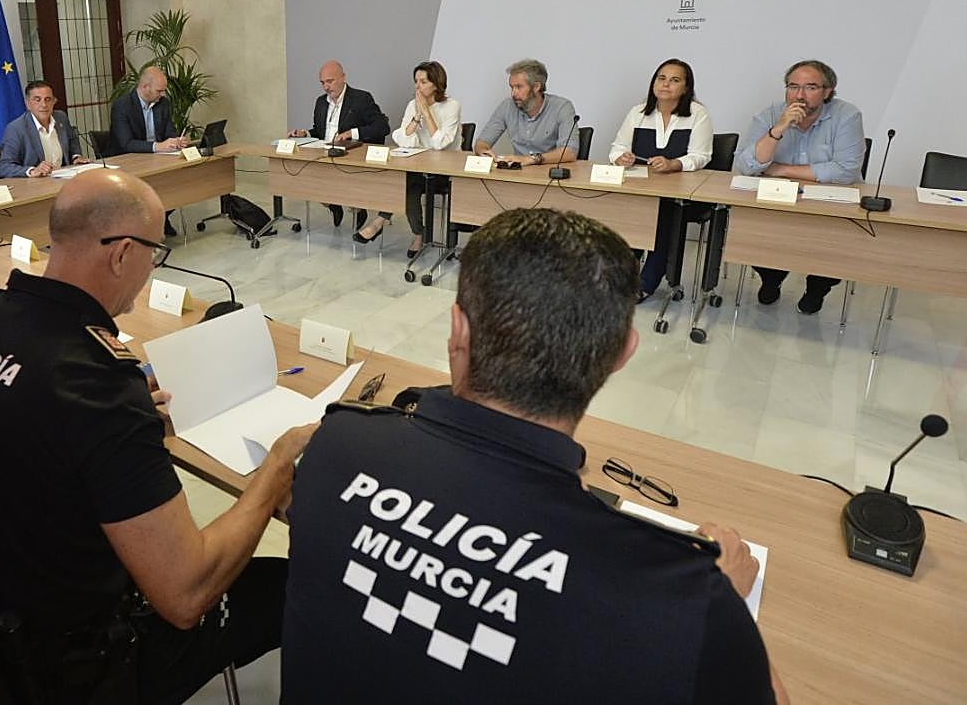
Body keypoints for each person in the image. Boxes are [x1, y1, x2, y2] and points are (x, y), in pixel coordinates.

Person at [282, 208, 789, 704]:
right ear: (622, 354)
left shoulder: (338, 444)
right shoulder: (678, 598)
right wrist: (723, 603)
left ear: (458, 328)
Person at [0, 169, 314, 703]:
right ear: (121, 254)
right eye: (153, 254)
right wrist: (275, 470)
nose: (150, 271)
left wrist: (119, 438)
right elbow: (185, 593)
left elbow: (40, 439)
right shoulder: (96, 381)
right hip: (78, 664)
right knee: (303, 587)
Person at [733, 60, 866, 314]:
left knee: (832, 243)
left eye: (810, 87)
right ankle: (771, 279)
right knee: (758, 232)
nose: (800, 95)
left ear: (828, 91)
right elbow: (746, 165)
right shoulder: (770, 115)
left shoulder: (847, 116)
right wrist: (779, 129)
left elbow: (846, 170)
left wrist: (780, 169)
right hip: (779, 199)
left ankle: (816, 290)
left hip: (829, 203)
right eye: (793, 87)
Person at [609, 59, 713, 301]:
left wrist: (674, 164)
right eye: (661, 78)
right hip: (640, 189)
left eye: (674, 80)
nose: (666, 84)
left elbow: (701, 156)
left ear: (686, 88)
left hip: (680, 195)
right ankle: (621, 275)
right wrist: (620, 158)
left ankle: (646, 282)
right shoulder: (638, 112)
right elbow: (616, 148)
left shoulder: (698, 114)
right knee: (622, 210)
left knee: (664, 212)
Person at [355, 61, 461, 256]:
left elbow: (440, 144)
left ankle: (394, 225)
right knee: (400, 178)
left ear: (436, 84)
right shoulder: (413, 105)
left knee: (409, 183)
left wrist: (427, 113)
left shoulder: (452, 106)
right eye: (415, 81)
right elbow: (401, 138)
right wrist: (416, 117)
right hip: (416, 166)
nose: (417, 86)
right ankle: (395, 225)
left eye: (422, 82)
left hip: (443, 171)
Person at [289, 60, 390, 229]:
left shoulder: (361, 99)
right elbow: (319, 131)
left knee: (345, 180)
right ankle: (334, 206)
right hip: (324, 154)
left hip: (350, 158)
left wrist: (352, 133)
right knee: (306, 178)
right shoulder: (321, 102)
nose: (326, 87)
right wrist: (304, 134)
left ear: (343, 78)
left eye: (330, 81)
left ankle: (358, 208)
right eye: (322, 83)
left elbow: (382, 127)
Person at [109, 66, 190, 235]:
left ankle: (161, 218)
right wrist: (158, 146)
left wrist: (177, 141)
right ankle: (149, 225)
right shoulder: (122, 106)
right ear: (145, 87)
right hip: (128, 162)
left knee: (179, 182)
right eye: (159, 90)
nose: (163, 95)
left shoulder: (163, 103)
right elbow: (126, 144)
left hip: (157, 159)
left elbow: (169, 132)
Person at [474, 58, 579, 165]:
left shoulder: (562, 107)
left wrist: (530, 159)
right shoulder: (507, 106)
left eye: (519, 87)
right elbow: (481, 142)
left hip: (550, 173)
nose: (513, 94)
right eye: (512, 87)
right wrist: (484, 151)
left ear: (536, 87)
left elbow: (570, 152)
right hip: (518, 173)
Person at [0, 80, 86, 178]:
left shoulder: (61, 117)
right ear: (27, 103)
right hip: (36, 186)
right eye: (37, 100)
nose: (44, 105)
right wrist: (32, 171)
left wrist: (76, 157)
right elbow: (4, 167)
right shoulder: (16, 128)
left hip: (64, 179)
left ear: (53, 101)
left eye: (48, 99)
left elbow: (72, 139)